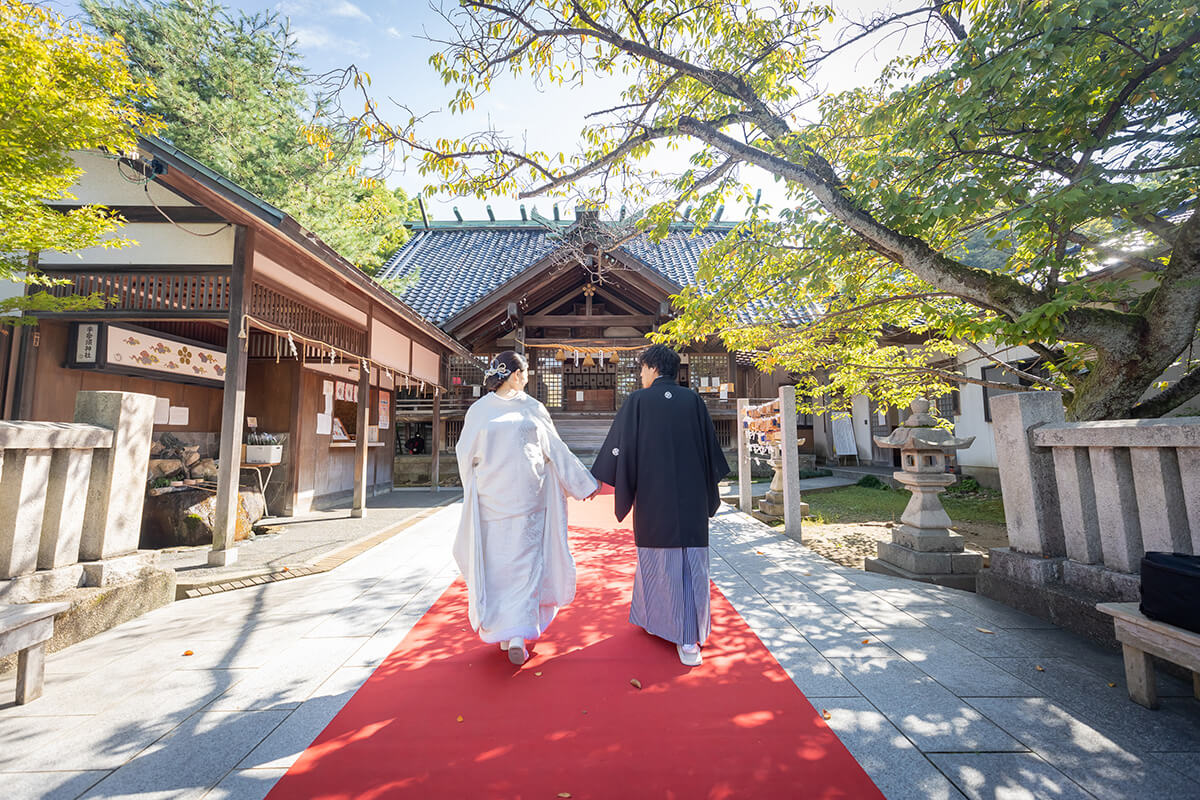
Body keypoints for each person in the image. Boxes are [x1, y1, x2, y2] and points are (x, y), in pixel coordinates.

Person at [453, 350, 600, 665]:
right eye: (526, 372)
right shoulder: (532, 409)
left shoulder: (480, 411)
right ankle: (515, 633)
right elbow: (555, 451)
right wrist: (583, 484)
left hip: (494, 499)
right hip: (525, 498)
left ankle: (510, 634)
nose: (529, 377)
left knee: (498, 568)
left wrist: (472, 490)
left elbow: (465, 456)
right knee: (524, 566)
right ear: (515, 374)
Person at [591, 344, 730, 667]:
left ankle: (685, 636)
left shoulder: (639, 401)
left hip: (654, 497)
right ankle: (660, 620)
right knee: (690, 560)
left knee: (657, 559)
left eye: (641, 369)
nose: (640, 375)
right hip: (692, 498)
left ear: (653, 368)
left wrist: (597, 481)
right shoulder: (693, 400)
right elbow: (713, 454)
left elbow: (619, 450)